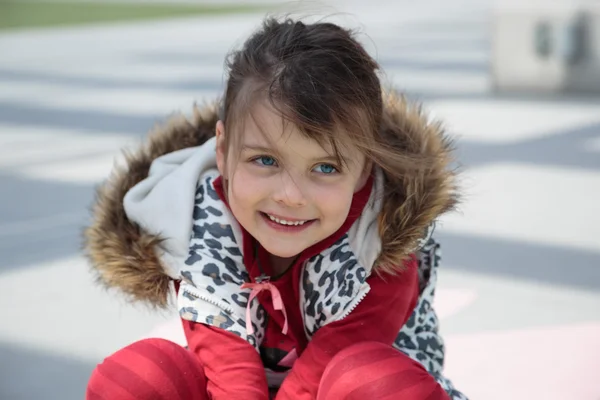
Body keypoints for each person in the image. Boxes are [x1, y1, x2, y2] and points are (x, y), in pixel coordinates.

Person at [84, 17, 467, 400]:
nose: (290, 195)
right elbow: (228, 369)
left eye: (325, 168)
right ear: (223, 150)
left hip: (339, 387)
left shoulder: (380, 237)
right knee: (137, 378)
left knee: (369, 381)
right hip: (240, 389)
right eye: (265, 161)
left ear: (364, 169)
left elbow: (324, 371)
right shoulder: (197, 221)